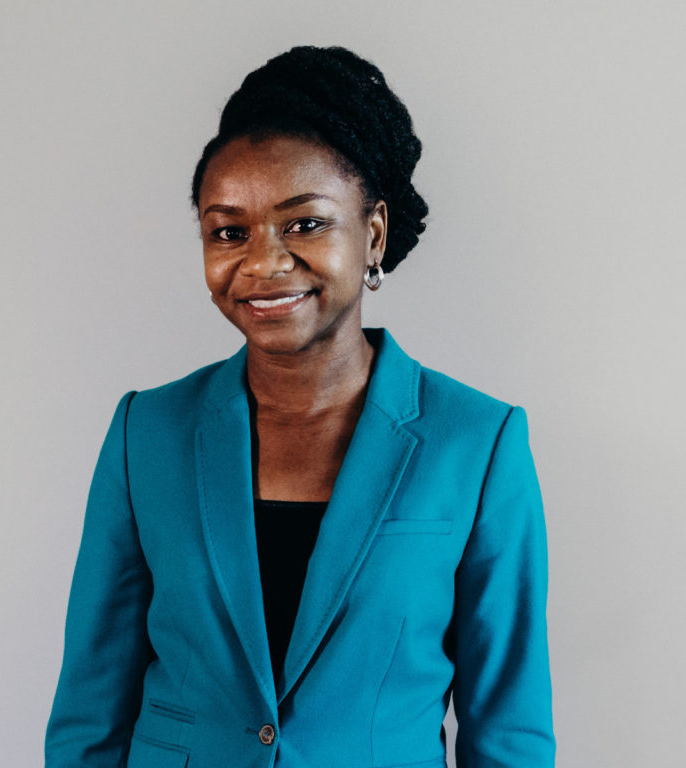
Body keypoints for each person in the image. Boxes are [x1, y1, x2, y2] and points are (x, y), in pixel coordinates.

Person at [45, 45, 555, 768]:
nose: (262, 262)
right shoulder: (146, 433)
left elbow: (508, 730)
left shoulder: (477, 443)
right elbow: (90, 712)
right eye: (229, 232)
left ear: (372, 234)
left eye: (304, 223)